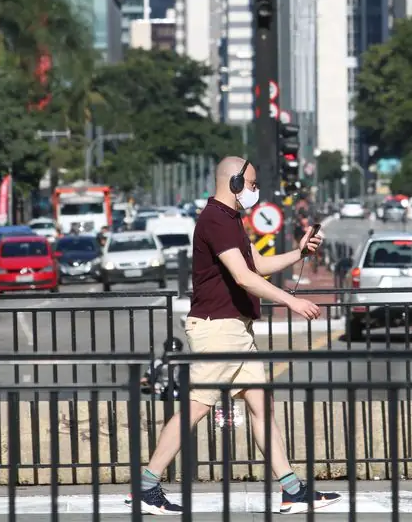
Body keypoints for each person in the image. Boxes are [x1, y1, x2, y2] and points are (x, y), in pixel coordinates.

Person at [130, 157, 342, 516]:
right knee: (195, 408)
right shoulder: (215, 220)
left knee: (261, 407)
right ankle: (147, 487)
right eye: (253, 184)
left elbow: (257, 265)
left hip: (236, 329)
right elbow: (244, 277)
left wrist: (299, 252)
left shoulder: (230, 220)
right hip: (219, 330)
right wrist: (291, 300)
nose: (256, 191)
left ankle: (292, 490)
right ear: (234, 183)